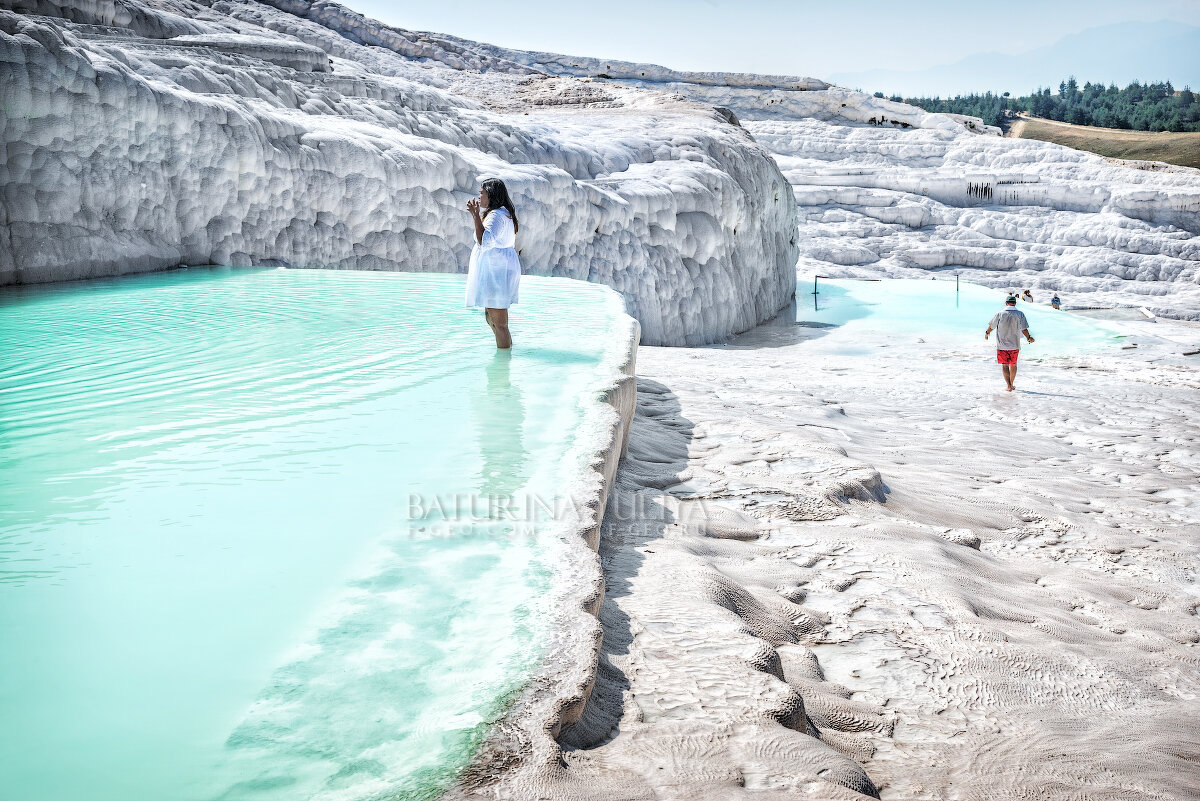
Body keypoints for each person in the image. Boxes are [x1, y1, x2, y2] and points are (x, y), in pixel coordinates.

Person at [465, 178, 521, 349]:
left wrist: (475, 217)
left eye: (482, 193)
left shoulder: (497, 215)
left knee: (499, 323)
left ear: (491, 194)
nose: (479, 196)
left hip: (496, 272)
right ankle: (504, 354)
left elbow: (485, 241)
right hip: (498, 270)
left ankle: (504, 365)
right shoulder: (501, 213)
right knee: (492, 318)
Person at [985, 296, 1035, 392]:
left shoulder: (1000, 314)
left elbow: (991, 326)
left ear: (1006, 303)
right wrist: (1029, 338)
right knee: (1013, 364)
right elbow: (1024, 329)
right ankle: (1011, 384)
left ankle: (1008, 385)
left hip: (1002, 345)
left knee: (1005, 365)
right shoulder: (1020, 314)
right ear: (1015, 303)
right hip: (1014, 345)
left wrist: (987, 333)